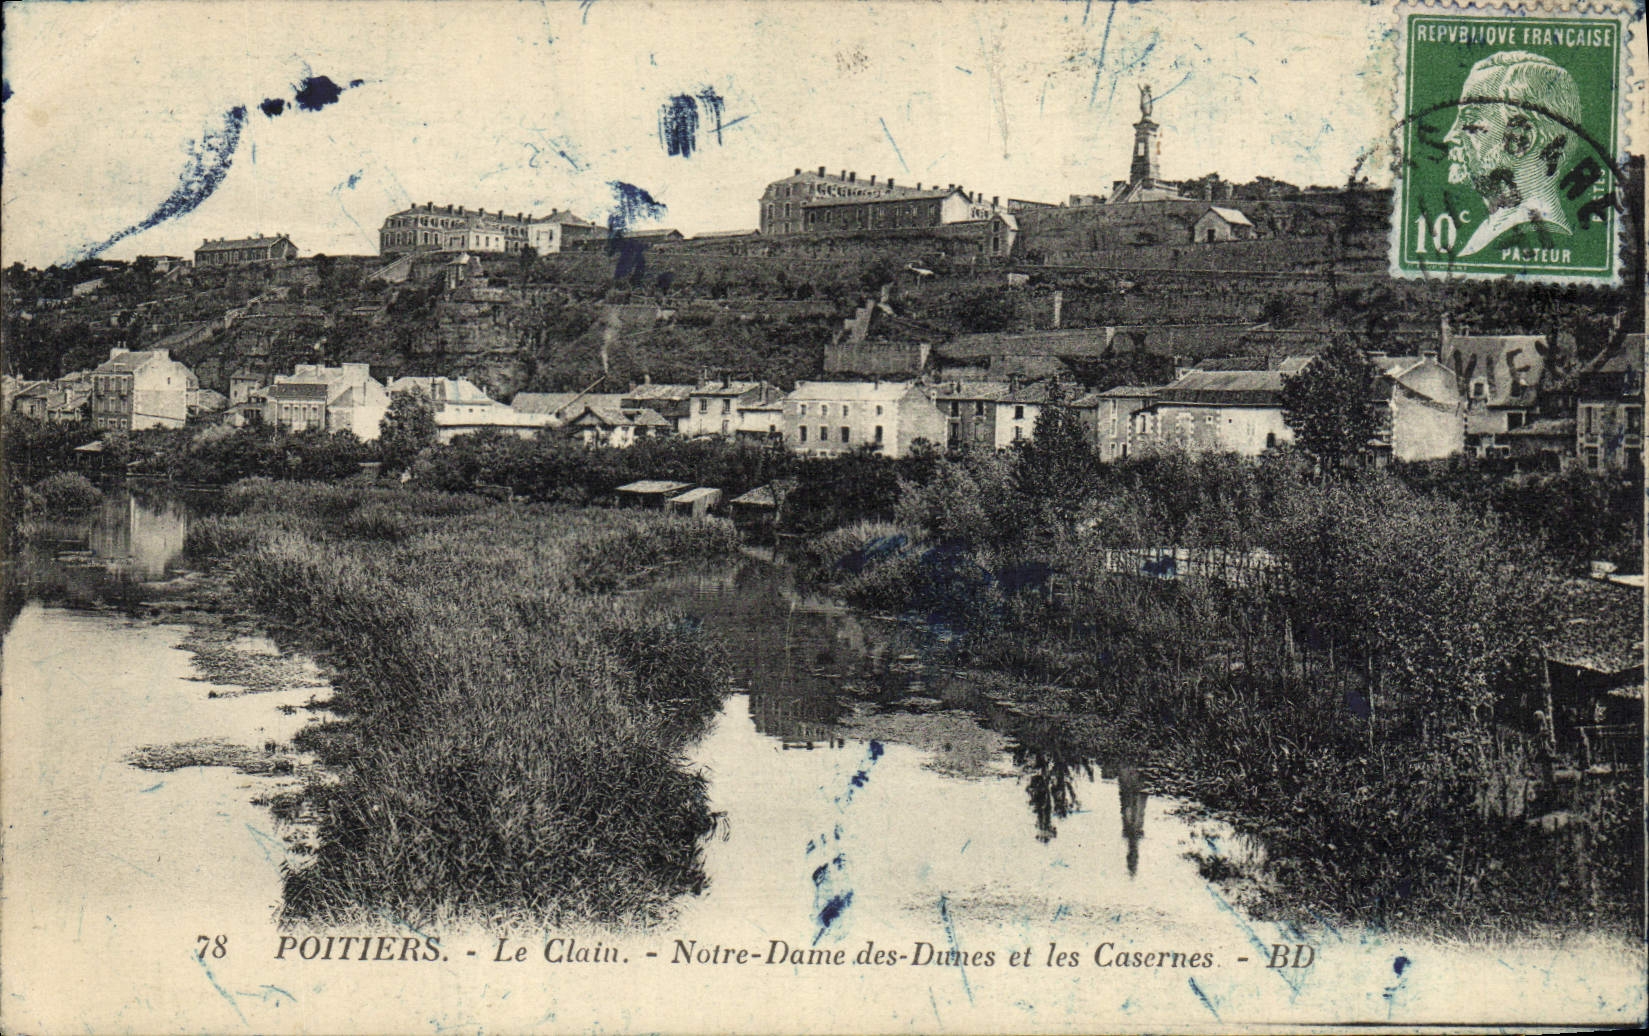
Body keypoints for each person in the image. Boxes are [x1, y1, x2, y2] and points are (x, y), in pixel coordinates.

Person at [1442, 50, 1584, 257]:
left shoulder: (1524, 234)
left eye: (1470, 121)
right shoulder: (1491, 231)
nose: (1450, 136)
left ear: (1520, 139)